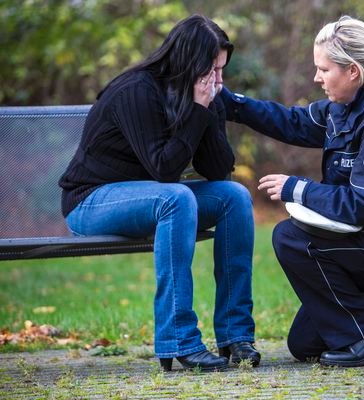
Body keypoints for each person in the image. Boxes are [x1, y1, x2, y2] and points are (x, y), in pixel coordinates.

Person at [219, 15, 364, 367]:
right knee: (304, 343)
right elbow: (290, 121)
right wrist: (227, 101)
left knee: (291, 238)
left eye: (324, 69)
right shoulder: (343, 109)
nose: (317, 78)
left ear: (353, 73)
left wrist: (295, 188)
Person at [58, 15, 260, 372]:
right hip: (92, 200)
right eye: (212, 70)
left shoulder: (200, 93)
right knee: (176, 197)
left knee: (235, 197)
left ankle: (235, 335)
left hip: (150, 197)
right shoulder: (136, 90)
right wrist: (198, 109)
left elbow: (218, 169)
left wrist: (210, 108)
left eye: (222, 70)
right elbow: (165, 171)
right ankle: (179, 340)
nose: (219, 80)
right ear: (189, 62)